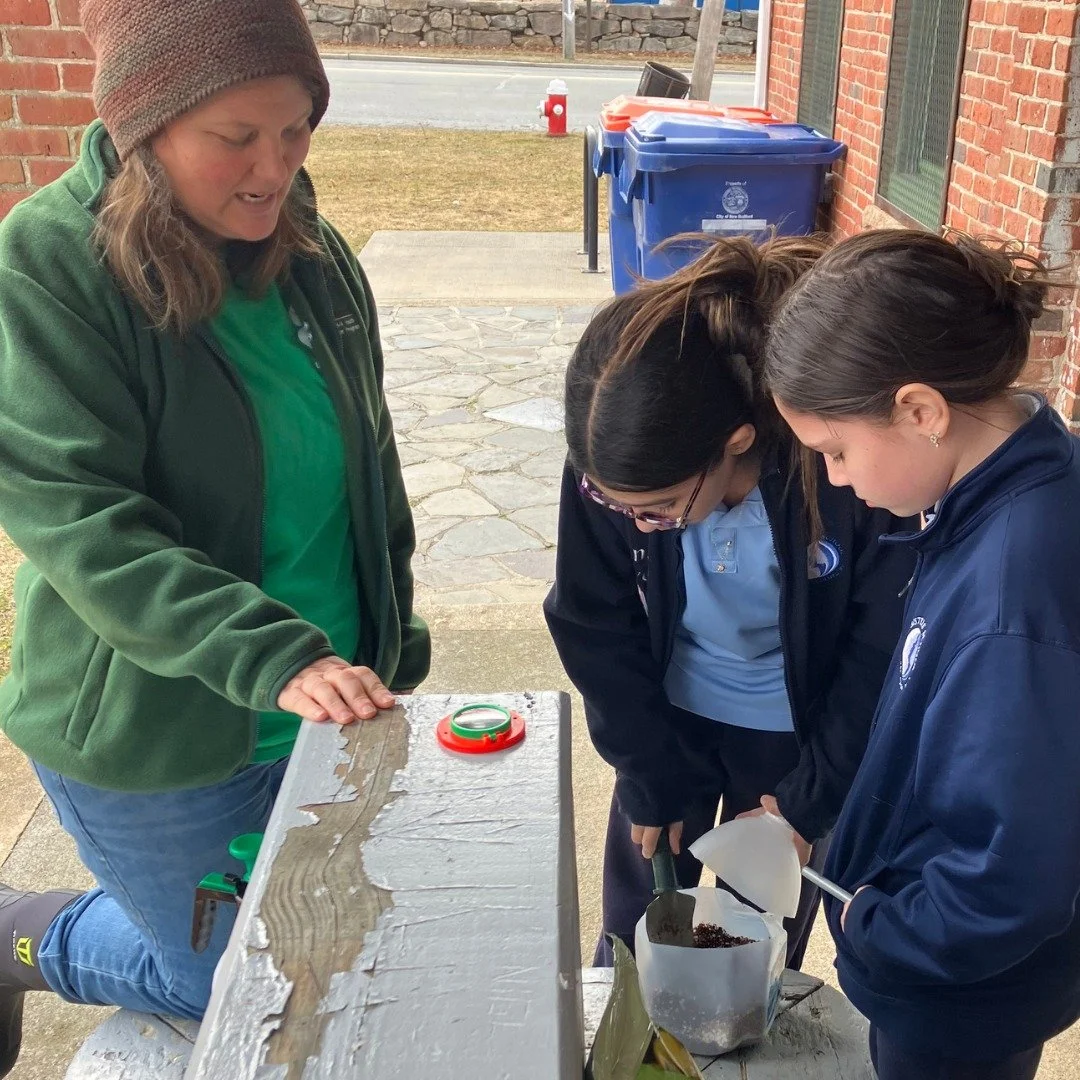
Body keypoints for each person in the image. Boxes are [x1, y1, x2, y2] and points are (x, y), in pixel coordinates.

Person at [0, 1, 429, 1072]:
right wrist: (273, 654)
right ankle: (22, 929)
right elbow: (81, 519)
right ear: (147, 125)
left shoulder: (317, 254)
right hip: (161, 731)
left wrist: (391, 634)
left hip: (328, 699)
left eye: (294, 132)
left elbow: (368, 466)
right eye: (234, 137)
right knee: (231, 983)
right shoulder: (49, 264)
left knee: (333, 953)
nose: (272, 168)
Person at [543, 235, 917, 968]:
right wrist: (644, 770)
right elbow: (593, 617)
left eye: (655, 510)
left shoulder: (838, 468)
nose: (636, 523)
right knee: (636, 933)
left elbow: (880, 646)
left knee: (752, 949)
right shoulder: (614, 457)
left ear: (737, 442)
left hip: (794, 744)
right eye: (617, 505)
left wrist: (809, 800)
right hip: (666, 724)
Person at [763, 228, 1080, 1080]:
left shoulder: (1012, 595)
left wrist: (875, 925)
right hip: (952, 965)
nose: (833, 480)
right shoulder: (996, 488)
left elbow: (1008, 875)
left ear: (919, 411)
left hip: (957, 991)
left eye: (835, 451)